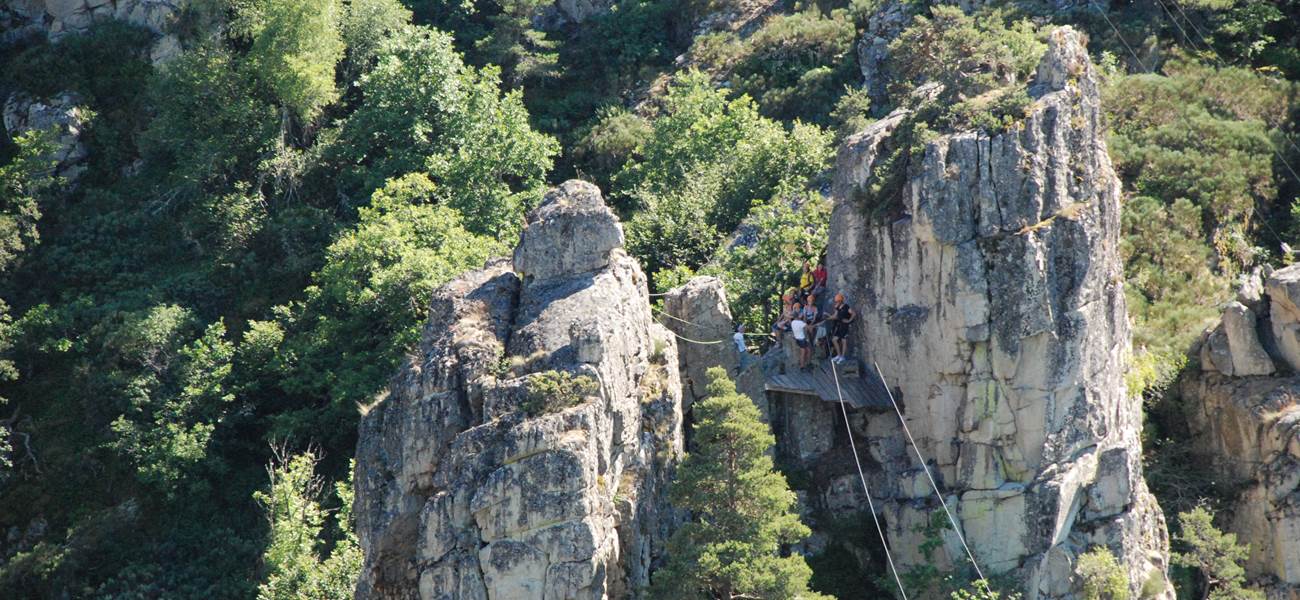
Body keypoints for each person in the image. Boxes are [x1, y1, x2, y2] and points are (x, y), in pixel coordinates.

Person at [830, 293, 856, 364]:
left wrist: (849, 320)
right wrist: (828, 317)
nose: (837, 302)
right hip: (839, 325)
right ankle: (839, 355)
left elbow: (853, 313)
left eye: (838, 301)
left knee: (843, 341)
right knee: (834, 340)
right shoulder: (837, 307)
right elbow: (835, 315)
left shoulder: (846, 307)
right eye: (836, 301)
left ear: (841, 300)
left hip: (844, 326)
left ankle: (842, 357)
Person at [789, 303, 811, 370]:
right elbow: (808, 327)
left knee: (808, 350)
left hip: (798, 339)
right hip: (802, 340)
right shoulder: (801, 323)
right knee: (803, 353)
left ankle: (807, 363)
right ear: (798, 315)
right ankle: (802, 366)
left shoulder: (793, 322)